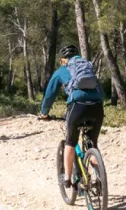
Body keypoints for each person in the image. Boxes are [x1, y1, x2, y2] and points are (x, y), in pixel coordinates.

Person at [39, 45, 104, 189]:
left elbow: (49, 95)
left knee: (70, 142)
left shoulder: (61, 71)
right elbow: (101, 92)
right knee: (93, 144)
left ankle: (67, 178)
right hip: (97, 107)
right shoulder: (87, 68)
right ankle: (101, 180)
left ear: (63, 60)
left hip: (77, 106)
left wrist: (44, 113)